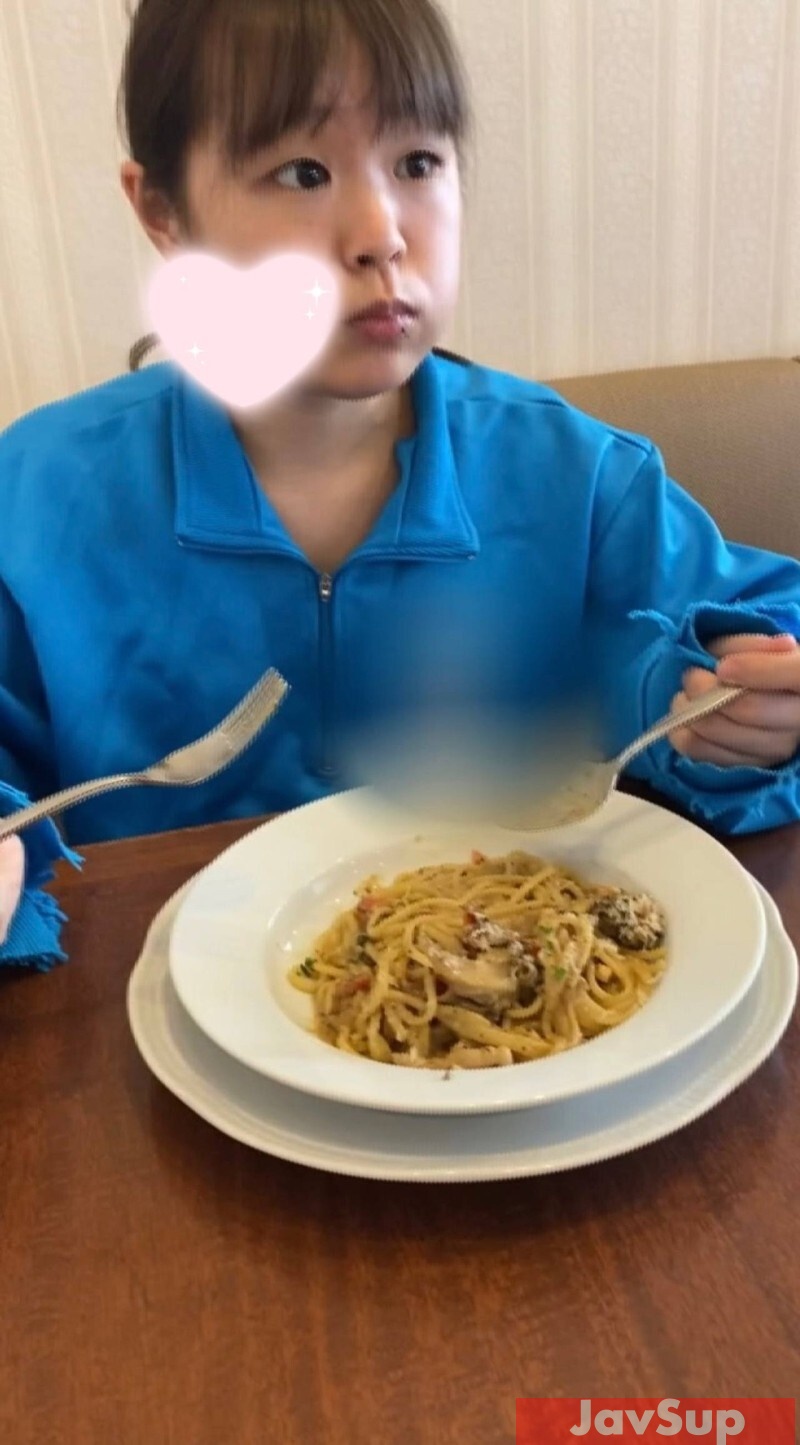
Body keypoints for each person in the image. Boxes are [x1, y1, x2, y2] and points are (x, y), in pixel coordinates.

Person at [2, 0, 800, 968]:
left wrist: (752, 712)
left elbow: (746, 623)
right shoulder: (37, 496)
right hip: (139, 1005)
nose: (380, 234)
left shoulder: (578, 477)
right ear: (164, 213)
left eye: (418, 163)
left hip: (509, 1006)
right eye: (302, 172)